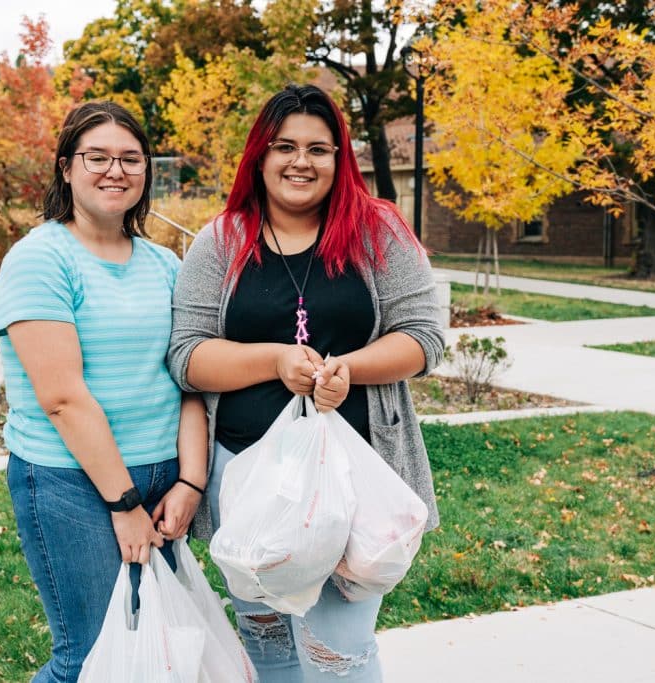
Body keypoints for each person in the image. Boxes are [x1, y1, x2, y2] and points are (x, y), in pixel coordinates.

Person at [167, 84, 444, 681]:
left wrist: (350, 367)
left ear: (341, 158)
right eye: (284, 146)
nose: (301, 161)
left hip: (355, 479)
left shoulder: (379, 232)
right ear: (259, 158)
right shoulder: (222, 241)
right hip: (242, 479)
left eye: (319, 148)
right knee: (268, 650)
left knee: (338, 656)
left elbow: (424, 336)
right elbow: (186, 355)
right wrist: (273, 360)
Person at [0, 101, 207, 683]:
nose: (116, 170)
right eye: (97, 157)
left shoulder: (165, 264)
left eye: (130, 158)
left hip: (162, 482)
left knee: (150, 648)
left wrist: (190, 480)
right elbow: (63, 399)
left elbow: (188, 376)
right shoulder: (39, 260)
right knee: (88, 659)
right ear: (66, 168)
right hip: (73, 485)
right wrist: (124, 504)